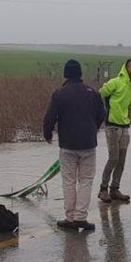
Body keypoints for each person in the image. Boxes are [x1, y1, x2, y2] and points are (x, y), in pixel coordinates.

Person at [43, 59, 105, 231]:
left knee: (68, 182)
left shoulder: (59, 94)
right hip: (88, 145)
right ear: (80, 74)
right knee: (86, 181)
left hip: (67, 145)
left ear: (65, 74)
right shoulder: (92, 92)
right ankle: (80, 218)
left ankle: (70, 219)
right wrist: (94, 129)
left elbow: (49, 118)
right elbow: (102, 114)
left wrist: (47, 134)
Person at [97, 58, 131, 203]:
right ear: (126, 68)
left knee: (121, 160)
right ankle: (103, 189)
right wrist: (103, 113)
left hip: (125, 126)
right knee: (113, 158)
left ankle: (114, 189)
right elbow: (100, 94)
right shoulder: (115, 82)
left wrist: (126, 116)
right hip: (112, 126)